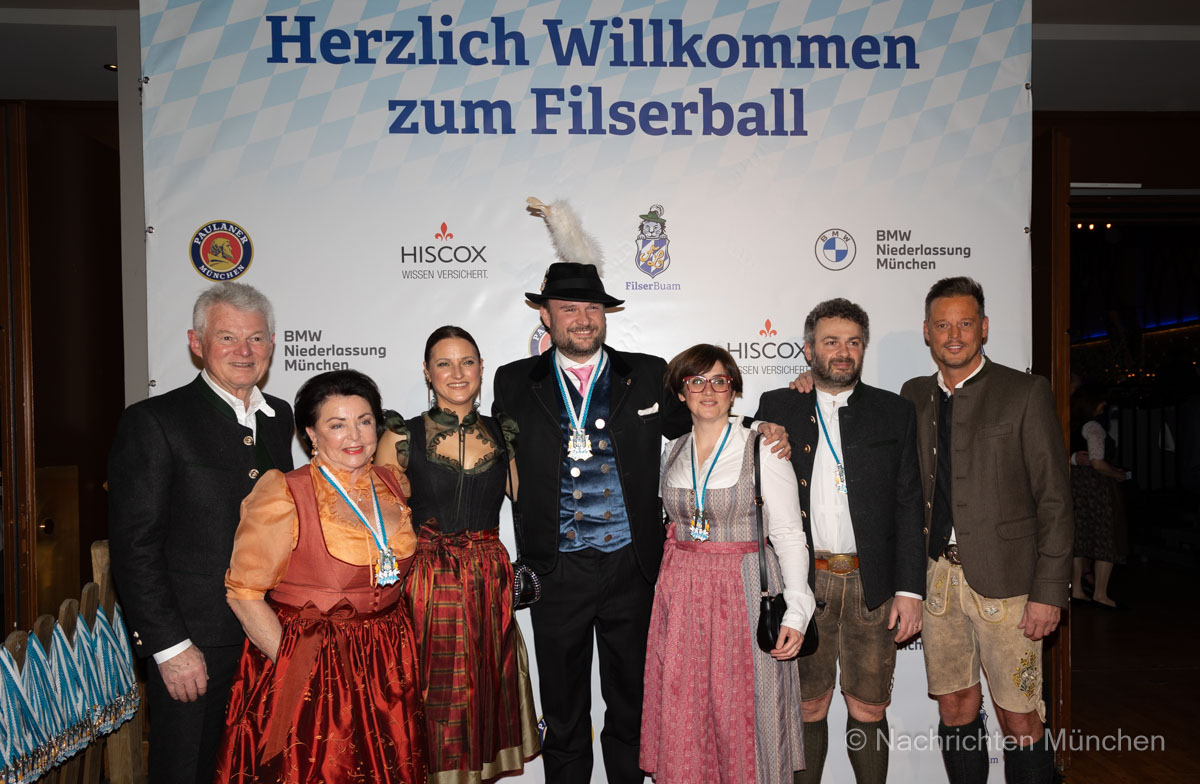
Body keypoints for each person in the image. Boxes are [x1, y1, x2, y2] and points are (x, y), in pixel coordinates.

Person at [108, 282, 294, 784]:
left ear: (272, 345)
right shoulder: (154, 422)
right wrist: (170, 648)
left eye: (256, 338)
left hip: (269, 636)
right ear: (197, 343)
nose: (244, 351)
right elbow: (134, 547)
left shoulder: (280, 417)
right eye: (227, 337)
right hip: (195, 649)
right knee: (187, 770)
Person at [899, 277, 1072, 784]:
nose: (954, 335)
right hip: (937, 581)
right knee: (955, 705)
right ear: (927, 332)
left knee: (1019, 716)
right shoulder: (913, 395)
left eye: (965, 324)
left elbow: (1055, 499)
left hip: (1012, 585)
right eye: (943, 325)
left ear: (985, 328)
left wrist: (1049, 592)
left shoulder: (1025, 392)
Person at [214, 370, 426, 783]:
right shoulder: (284, 492)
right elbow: (243, 593)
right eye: (337, 424)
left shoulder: (391, 482)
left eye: (364, 421)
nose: (355, 436)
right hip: (313, 660)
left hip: (386, 660)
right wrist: (296, 668)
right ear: (311, 433)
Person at [757, 299, 925, 784]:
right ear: (809, 350)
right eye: (831, 342)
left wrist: (910, 590)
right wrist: (760, 425)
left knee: (869, 707)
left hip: (873, 586)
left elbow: (909, 503)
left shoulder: (895, 411)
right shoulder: (779, 405)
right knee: (807, 705)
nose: (843, 352)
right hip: (804, 583)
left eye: (853, 342)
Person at [641, 344, 814, 784]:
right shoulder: (671, 451)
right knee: (686, 708)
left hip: (745, 592)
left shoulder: (763, 448)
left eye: (719, 381)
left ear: (734, 390)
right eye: (696, 381)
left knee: (743, 712)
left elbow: (789, 534)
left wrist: (797, 611)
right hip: (682, 596)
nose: (708, 391)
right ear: (680, 392)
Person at [376, 325, 540, 781]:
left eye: (467, 362)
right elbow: (380, 518)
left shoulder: (503, 433)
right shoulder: (402, 435)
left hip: (489, 580)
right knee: (433, 693)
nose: (457, 373)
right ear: (427, 372)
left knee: (484, 690)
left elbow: (524, 496)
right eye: (444, 364)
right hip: (426, 583)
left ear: (482, 368)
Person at [1068, 387, 1127, 608]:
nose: (1104, 405)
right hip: (1095, 486)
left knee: (1080, 535)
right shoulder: (1092, 427)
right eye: (1101, 402)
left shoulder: (1071, 425)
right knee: (1105, 535)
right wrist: (1118, 474)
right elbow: (1097, 463)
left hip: (1077, 485)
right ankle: (1100, 593)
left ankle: (1077, 589)